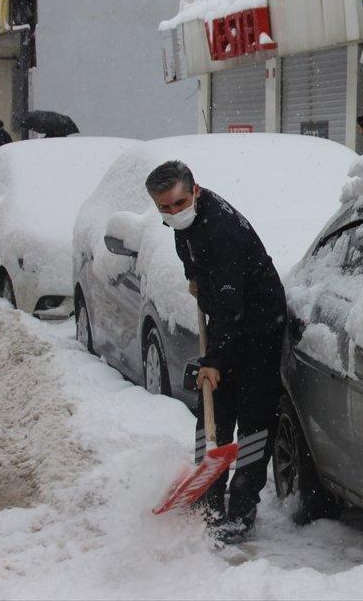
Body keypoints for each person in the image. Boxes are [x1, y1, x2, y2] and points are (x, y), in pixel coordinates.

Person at [144, 160, 286, 544]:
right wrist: (195, 278)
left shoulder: (221, 231)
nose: (173, 213)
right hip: (227, 318)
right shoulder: (186, 223)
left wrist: (215, 361)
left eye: (179, 203)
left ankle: (241, 508)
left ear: (196, 191)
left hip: (258, 325)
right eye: (165, 208)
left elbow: (231, 306)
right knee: (213, 417)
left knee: (255, 418)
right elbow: (193, 258)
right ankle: (207, 495)